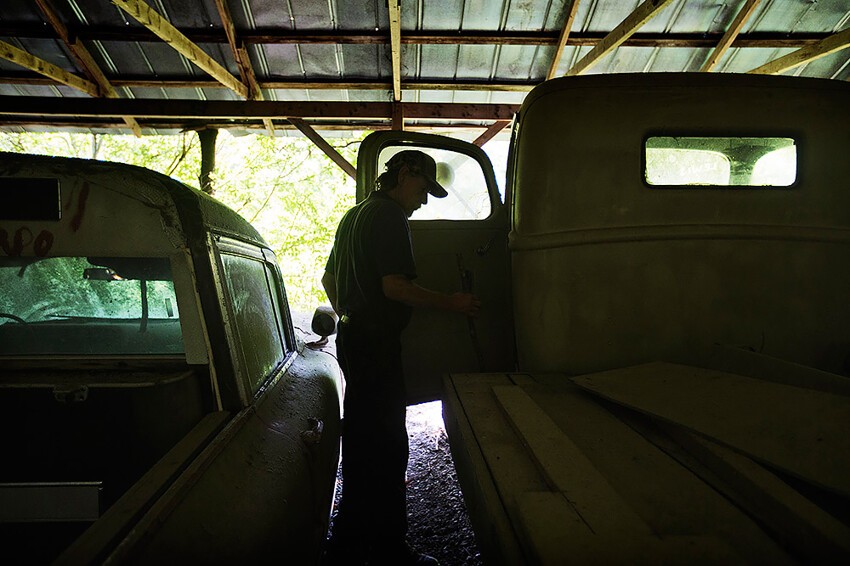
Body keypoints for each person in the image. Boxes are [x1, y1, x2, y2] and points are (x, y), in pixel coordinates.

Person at [321, 150, 480, 566]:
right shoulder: (390, 217)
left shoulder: (354, 215)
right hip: (375, 343)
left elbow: (328, 278)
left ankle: (349, 540)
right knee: (390, 444)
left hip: (353, 338)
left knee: (360, 439)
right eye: (424, 189)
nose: (424, 200)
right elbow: (395, 287)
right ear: (404, 175)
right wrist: (453, 303)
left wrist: (351, 314)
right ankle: (391, 550)